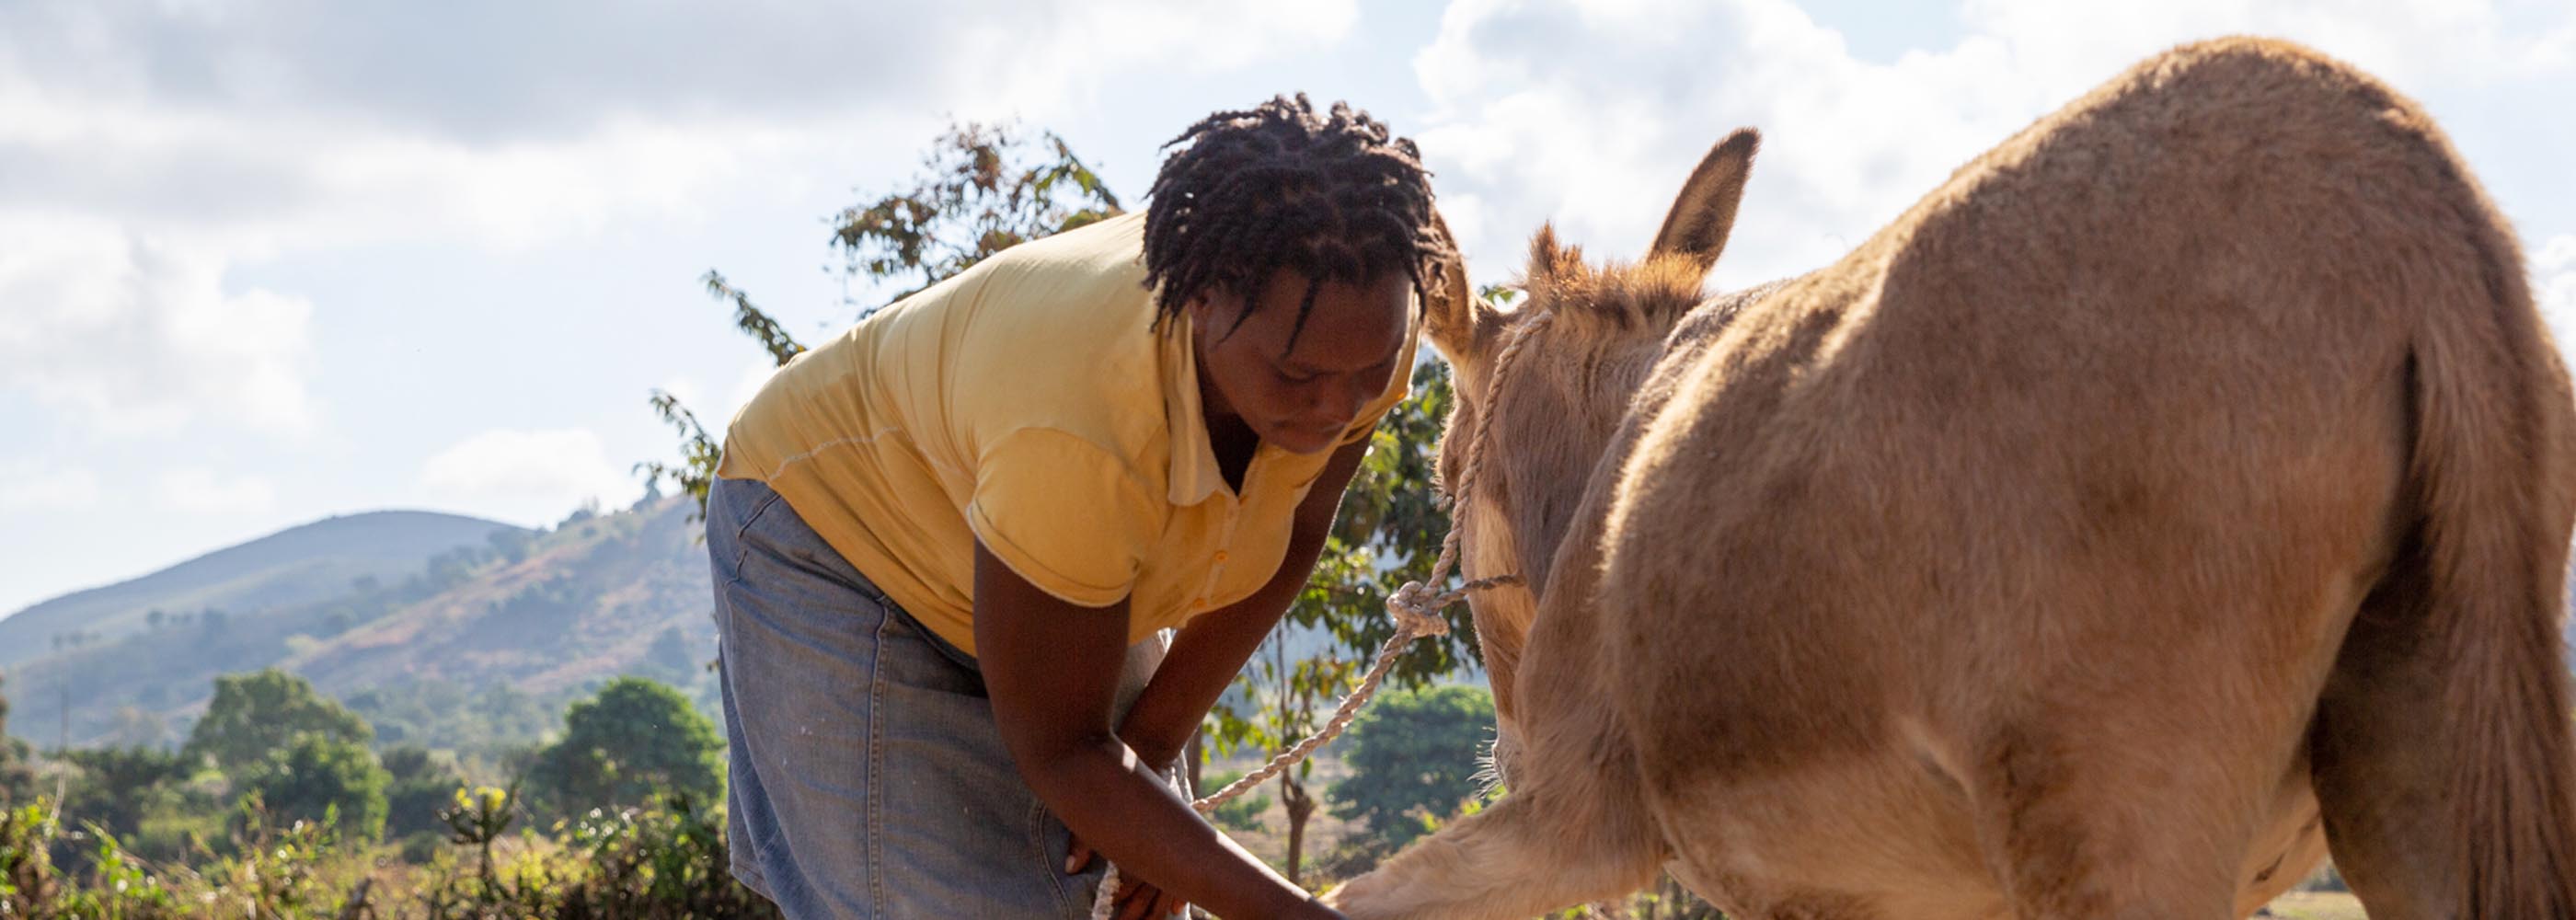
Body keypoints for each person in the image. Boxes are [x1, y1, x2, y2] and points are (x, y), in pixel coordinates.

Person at [707, 94, 1457, 919]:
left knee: (1107, 888)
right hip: (836, 539)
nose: (1334, 408)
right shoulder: (1082, 421)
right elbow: (1064, 752)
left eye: (1368, 372)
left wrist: (1153, 757)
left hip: (1050, 556)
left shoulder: (1352, 329)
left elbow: (1297, 533)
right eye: (1296, 378)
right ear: (1203, 298)